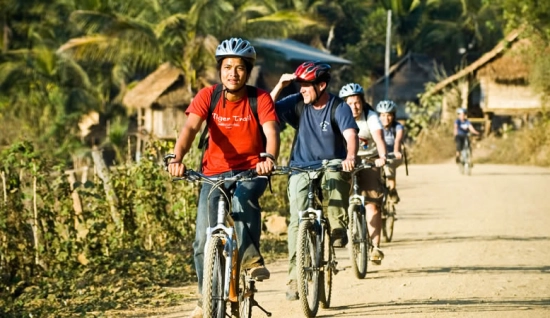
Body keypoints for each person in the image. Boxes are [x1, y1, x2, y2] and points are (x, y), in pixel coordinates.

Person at [167, 38, 280, 318]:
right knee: (201, 241)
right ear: (220, 70)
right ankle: (206, 298)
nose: (233, 73)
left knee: (243, 199)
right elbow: (190, 129)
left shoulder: (260, 98)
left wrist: (269, 158)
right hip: (213, 174)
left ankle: (251, 259)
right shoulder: (208, 96)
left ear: (248, 70)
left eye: (239, 68)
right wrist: (176, 158)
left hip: (252, 171)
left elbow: (271, 133)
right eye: (227, 67)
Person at [270, 61, 359, 301]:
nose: (302, 90)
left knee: (335, 175)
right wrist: (280, 84)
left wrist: (350, 157)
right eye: (300, 86)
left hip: (331, 164)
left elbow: (351, 135)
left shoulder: (338, 107)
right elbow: (266, 110)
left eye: (307, 86)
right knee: (297, 222)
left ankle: (338, 226)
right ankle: (294, 277)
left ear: (322, 85)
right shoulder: (298, 103)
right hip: (300, 167)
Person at [339, 83, 388, 266]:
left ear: (363, 102)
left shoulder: (371, 117)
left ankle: (375, 247)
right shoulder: (339, 116)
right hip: (347, 161)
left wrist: (382, 156)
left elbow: (379, 138)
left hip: (370, 160)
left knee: (372, 204)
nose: (354, 107)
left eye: (357, 102)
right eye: (350, 103)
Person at [375, 100, 405, 203]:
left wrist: (396, 151)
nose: (386, 118)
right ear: (379, 116)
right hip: (378, 155)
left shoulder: (398, 127)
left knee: (388, 165)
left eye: (389, 115)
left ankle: (393, 190)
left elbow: (398, 140)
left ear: (393, 116)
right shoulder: (375, 126)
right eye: (383, 115)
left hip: (393, 155)